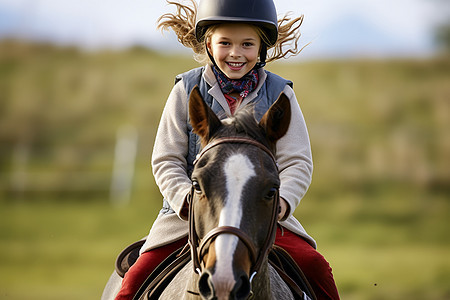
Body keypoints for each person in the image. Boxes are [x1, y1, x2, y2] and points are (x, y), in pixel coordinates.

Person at [115, 0, 340, 299]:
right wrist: (186, 200)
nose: (236, 53)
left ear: (261, 47)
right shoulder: (185, 89)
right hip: (190, 217)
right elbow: (166, 158)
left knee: (316, 268)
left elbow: (297, 161)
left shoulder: (280, 93)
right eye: (225, 43)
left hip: (260, 216)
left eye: (247, 43)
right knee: (134, 281)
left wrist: (283, 202)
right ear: (209, 43)